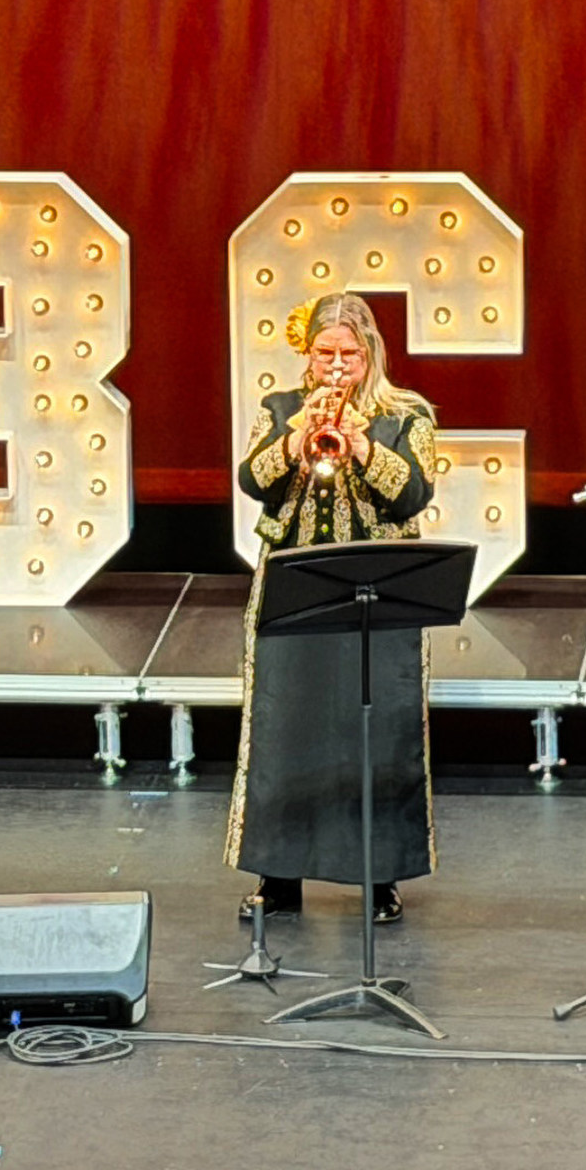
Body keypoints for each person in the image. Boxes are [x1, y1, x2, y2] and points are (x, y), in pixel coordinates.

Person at [225, 291, 438, 923]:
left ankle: (380, 879)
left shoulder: (407, 414)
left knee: (377, 731)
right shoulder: (281, 408)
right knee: (286, 725)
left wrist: (362, 443)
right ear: (308, 354)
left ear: (369, 351)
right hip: (296, 577)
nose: (337, 366)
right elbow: (253, 482)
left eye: (349, 353)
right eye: (325, 353)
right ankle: (278, 875)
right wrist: (297, 439)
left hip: (377, 584)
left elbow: (415, 496)